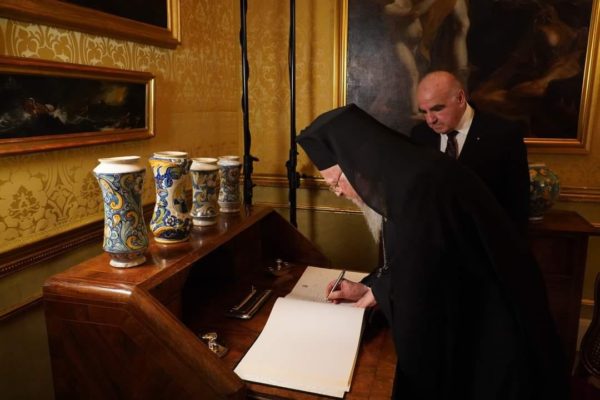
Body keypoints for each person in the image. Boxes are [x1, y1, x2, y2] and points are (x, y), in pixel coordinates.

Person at [296, 103, 568, 399]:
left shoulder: (419, 191)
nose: (337, 192)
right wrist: (371, 289)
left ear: (357, 164)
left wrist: (381, 300)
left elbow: (426, 290)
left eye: (335, 182)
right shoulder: (405, 177)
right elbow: (415, 259)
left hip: (490, 331)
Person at [411, 70, 530, 233]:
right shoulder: (420, 134)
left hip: (486, 242)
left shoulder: (503, 134)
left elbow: (518, 205)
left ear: (460, 98)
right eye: (424, 112)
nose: (430, 120)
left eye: (437, 108)